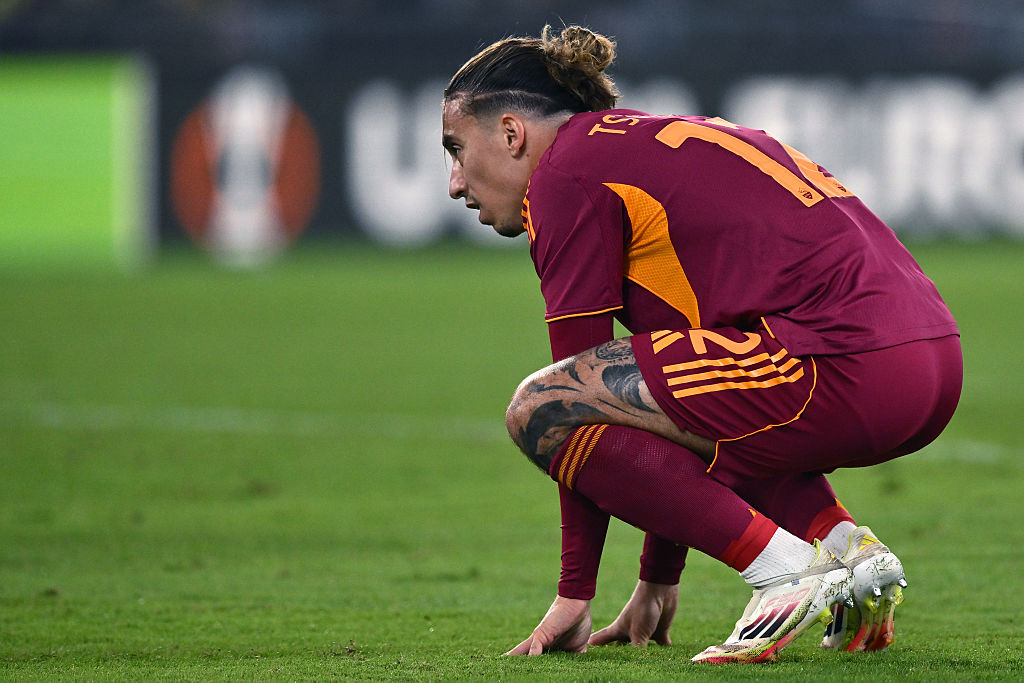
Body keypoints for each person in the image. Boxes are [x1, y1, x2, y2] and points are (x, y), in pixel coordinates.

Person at [441, 25, 962, 663]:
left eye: (456, 149)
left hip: (844, 363)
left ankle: (784, 571)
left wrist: (574, 593)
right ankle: (844, 549)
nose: (454, 182)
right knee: (666, 391)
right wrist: (658, 577)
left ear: (512, 133)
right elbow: (669, 405)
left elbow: (576, 395)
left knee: (541, 405)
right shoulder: (638, 143)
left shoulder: (564, 176)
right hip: (928, 356)